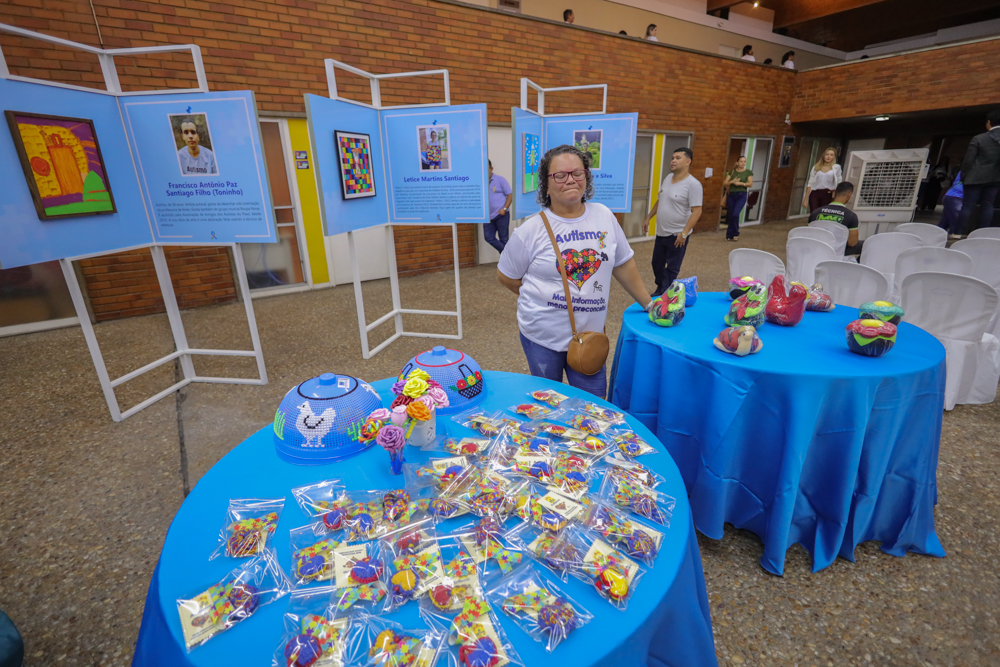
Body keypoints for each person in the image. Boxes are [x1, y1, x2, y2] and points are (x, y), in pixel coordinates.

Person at [497, 145, 652, 398]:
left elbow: (623, 263)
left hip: (590, 336)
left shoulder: (604, 216)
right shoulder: (530, 230)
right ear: (546, 185)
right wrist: (541, 298)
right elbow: (505, 276)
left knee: (593, 405)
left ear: (586, 178)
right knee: (550, 404)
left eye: (577, 173)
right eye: (560, 175)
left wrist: (649, 305)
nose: (570, 179)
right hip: (542, 337)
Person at [642, 147, 703, 296]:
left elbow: (697, 211)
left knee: (672, 267)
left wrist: (684, 233)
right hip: (662, 232)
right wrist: (648, 217)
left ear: (688, 162)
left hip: (677, 234)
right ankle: (663, 288)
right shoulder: (668, 178)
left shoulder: (693, 185)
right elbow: (660, 200)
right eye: (672, 158)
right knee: (656, 264)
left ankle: (663, 294)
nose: (673, 161)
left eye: (678, 158)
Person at [956, 109, 1000, 233]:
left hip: (975, 177)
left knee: (968, 205)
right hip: (996, 178)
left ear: (989, 122)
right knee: (988, 205)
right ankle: (982, 233)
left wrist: (963, 176)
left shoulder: (979, 138)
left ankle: (958, 233)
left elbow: (968, 160)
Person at [808, 181, 863, 256]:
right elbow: (852, 242)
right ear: (849, 195)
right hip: (836, 252)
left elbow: (809, 234)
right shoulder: (851, 216)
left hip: (817, 248)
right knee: (867, 245)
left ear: (834, 194)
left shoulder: (815, 213)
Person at [722, 155, 753, 242]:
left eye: (744, 162)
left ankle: (735, 233)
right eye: (741, 161)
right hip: (731, 195)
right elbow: (725, 183)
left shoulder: (748, 172)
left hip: (741, 195)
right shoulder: (732, 172)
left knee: (735, 214)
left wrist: (741, 184)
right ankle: (729, 235)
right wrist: (733, 181)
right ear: (737, 162)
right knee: (731, 215)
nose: (743, 163)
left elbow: (750, 184)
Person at [802, 147, 841, 212]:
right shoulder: (816, 167)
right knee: (814, 213)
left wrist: (836, 193)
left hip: (828, 194)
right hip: (815, 193)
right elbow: (810, 183)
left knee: (823, 213)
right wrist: (805, 199)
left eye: (831, 155)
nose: (828, 157)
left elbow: (839, 181)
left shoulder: (836, 167)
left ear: (834, 157)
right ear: (824, 156)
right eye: (827, 154)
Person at [486, 160, 512, 254]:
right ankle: (508, 256)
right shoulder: (481, 182)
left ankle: (506, 263)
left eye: (487, 169)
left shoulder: (500, 180)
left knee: (504, 239)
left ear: (491, 169)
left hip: (501, 215)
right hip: (488, 217)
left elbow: (509, 195)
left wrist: (504, 209)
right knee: (488, 237)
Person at [937, 171, 964, 239]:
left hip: (951, 196)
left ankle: (935, 238)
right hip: (956, 197)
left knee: (944, 223)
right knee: (955, 225)